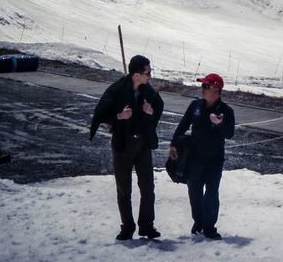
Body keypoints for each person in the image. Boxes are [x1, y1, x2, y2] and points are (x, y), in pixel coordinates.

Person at [89, 55, 165, 240]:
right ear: (136, 74)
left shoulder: (148, 91)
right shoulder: (117, 90)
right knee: (124, 189)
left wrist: (151, 112)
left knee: (147, 187)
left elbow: (159, 106)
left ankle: (147, 226)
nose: (150, 76)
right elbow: (100, 113)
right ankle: (127, 228)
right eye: (147, 72)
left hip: (143, 144)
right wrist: (119, 117)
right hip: (123, 144)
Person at [170, 73, 235, 240]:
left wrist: (219, 124)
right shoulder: (195, 105)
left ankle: (209, 227)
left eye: (206, 87)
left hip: (214, 160)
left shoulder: (226, 111)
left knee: (211, 193)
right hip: (195, 158)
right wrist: (173, 143)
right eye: (203, 87)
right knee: (194, 192)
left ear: (216, 90)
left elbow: (229, 133)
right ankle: (198, 221)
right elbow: (183, 125)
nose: (203, 90)